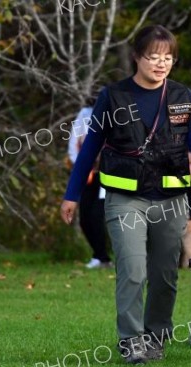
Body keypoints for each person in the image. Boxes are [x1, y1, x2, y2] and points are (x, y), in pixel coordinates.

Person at [60, 25, 191, 364]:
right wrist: (72, 194)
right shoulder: (112, 96)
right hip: (124, 197)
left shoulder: (184, 97)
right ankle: (131, 341)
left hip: (172, 199)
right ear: (137, 57)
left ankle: (156, 337)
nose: (161, 64)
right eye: (154, 57)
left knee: (165, 273)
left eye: (168, 58)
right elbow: (90, 150)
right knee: (132, 269)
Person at [67, 104, 112, 269]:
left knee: (96, 215)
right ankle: (99, 255)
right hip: (88, 175)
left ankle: (104, 258)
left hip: (107, 175)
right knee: (85, 217)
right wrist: (81, 167)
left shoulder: (116, 114)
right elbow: (74, 144)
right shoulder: (85, 115)